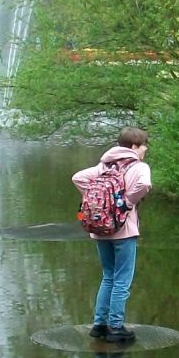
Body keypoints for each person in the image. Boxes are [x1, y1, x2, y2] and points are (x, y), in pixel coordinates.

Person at [72, 126, 152, 344]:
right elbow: (144, 185)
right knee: (122, 280)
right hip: (123, 231)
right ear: (135, 146)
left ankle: (99, 325)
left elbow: (77, 178)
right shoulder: (139, 167)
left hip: (100, 230)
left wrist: (98, 205)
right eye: (144, 145)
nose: (145, 150)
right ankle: (116, 327)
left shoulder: (104, 166)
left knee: (108, 276)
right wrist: (125, 203)